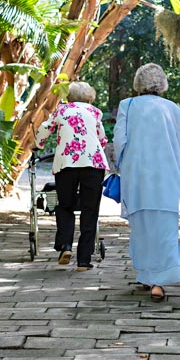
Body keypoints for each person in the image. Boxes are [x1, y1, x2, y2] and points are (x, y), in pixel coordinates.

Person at [114, 63, 180, 302]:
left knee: (140, 227)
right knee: (164, 228)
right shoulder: (173, 109)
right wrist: (177, 167)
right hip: (165, 176)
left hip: (137, 176)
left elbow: (120, 141)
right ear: (162, 84)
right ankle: (157, 281)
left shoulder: (127, 106)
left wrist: (122, 167)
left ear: (138, 83)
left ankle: (147, 275)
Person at [35, 81, 109, 271]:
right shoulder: (95, 112)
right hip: (93, 164)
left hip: (67, 163)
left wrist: (39, 144)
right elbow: (102, 138)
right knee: (90, 210)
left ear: (69, 97)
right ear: (89, 97)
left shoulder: (62, 110)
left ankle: (65, 246)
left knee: (65, 205)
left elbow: (44, 129)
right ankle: (83, 261)